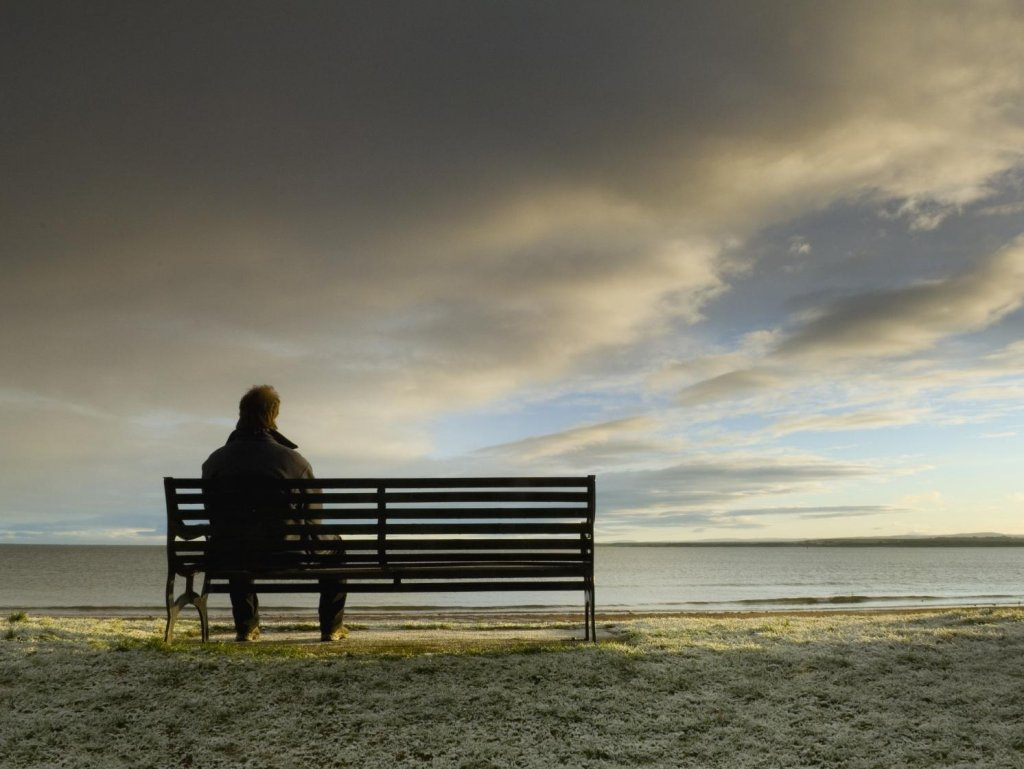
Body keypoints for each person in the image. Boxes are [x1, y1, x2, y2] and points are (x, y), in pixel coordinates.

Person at [202, 385, 346, 642]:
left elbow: (213, 515)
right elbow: (314, 519)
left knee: (236, 542)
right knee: (336, 547)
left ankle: (246, 627)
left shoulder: (215, 461)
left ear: (241, 414)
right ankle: (331, 627)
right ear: (273, 415)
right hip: (288, 552)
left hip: (232, 553)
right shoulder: (294, 461)